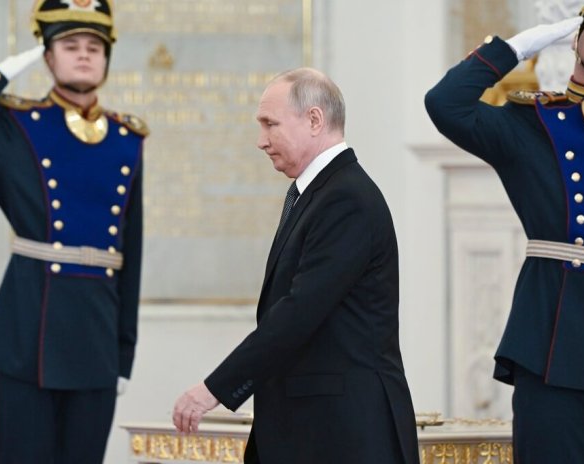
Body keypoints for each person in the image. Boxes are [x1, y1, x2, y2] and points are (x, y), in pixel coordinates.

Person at [426, 0, 584, 462]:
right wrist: (516, 47)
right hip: (554, 347)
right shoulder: (533, 123)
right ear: (576, 33)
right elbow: (445, 103)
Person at [173, 68, 419, 464]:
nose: (261, 141)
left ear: (315, 120)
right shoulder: (321, 194)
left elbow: (297, 312)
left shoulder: (346, 199)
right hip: (316, 430)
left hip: (345, 435)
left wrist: (213, 389)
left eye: (270, 124)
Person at [0, 0, 147, 462]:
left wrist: (124, 354)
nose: (84, 54)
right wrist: (0, 74)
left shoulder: (127, 138)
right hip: (27, 338)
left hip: (95, 342)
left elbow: (131, 254)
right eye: (69, 44)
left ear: (106, 58)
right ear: (46, 56)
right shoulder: (15, 126)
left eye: (94, 46)